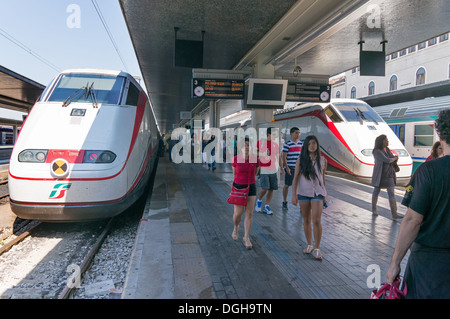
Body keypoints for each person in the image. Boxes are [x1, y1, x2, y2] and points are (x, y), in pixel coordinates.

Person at [386, 109, 450, 298]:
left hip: (429, 265)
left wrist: (395, 262)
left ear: (440, 135)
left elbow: (413, 220)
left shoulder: (428, 171)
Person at [291, 135, 327, 260]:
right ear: (306, 146)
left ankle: (317, 248)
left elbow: (322, 177)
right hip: (303, 193)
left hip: (318, 193)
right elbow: (295, 178)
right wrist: (293, 195)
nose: (312, 145)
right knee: (306, 219)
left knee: (316, 220)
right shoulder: (301, 160)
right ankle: (309, 245)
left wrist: (325, 194)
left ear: (317, 145)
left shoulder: (322, 160)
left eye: (314, 143)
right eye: (309, 144)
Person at [231, 137, 260, 249]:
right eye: (244, 145)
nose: (247, 147)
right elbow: (234, 175)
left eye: (248, 145)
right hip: (238, 187)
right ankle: (236, 227)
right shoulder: (235, 159)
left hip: (251, 187)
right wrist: (233, 189)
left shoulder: (255, 160)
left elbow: (255, 173)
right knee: (238, 214)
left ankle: (246, 237)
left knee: (249, 213)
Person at [371, 134, 402, 219]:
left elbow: (391, 158)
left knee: (391, 193)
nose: (387, 141)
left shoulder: (387, 149)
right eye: (386, 140)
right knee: (376, 190)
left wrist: (395, 158)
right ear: (381, 142)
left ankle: (394, 213)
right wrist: (394, 159)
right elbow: (387, 160)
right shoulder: (377, 151)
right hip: (381, 175)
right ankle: (374, 209)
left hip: (389, 174)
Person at [255, 127, 283, 215]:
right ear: (268, 135)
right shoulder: (261, 142)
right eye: (274, 134)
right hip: (264, 169)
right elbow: (255, 152)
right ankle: (259, 201)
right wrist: (262, 154)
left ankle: (267, 206)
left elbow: (278, 157)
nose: (276, 136)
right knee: (265, 188)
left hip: (273, 170)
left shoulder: (275, 145)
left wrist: (282, 168)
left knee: (271, 189)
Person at [281, 127, 302, 209]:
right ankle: (284, 201)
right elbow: (284, 157)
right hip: (290, 168)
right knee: (286, 185)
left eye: (299, 133)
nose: (298, 134)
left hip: (299, 169)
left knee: (299, 186)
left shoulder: (301, 144)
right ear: (291, 134)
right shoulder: (287, 144)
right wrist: (287, 168)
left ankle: (300, 204)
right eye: (296, 133)